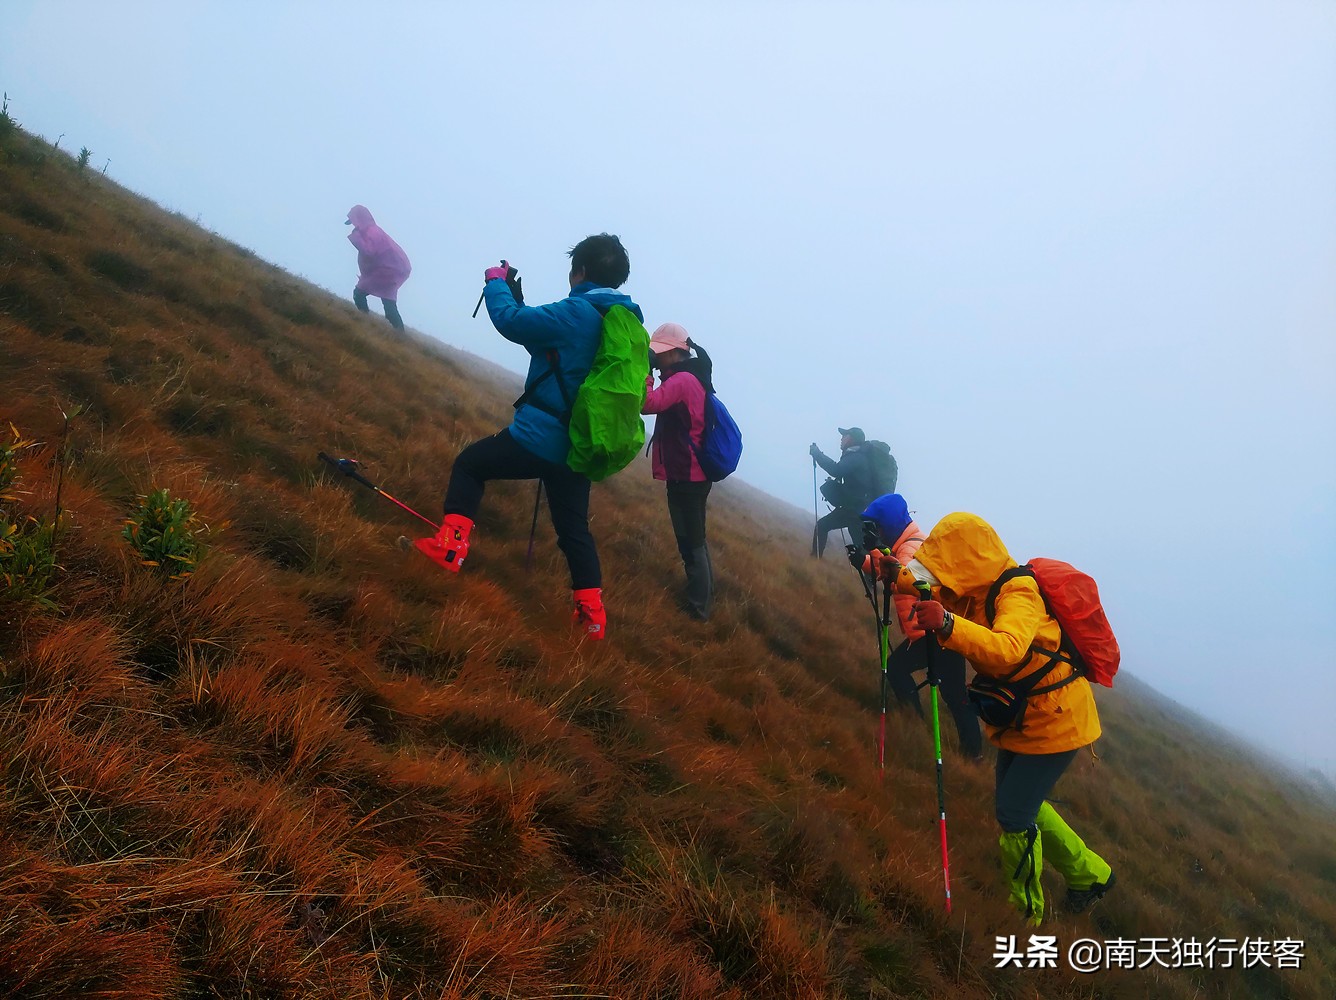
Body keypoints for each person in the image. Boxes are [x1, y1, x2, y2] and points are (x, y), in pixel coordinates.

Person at [411, 234, 642, 641]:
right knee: (574, 529)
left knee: (470, 465)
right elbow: (553, 344)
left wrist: (496, 282)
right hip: (581, 444)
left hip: (542, 437)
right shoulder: (625, 322)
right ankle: (592, 618)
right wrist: (519, 298)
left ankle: (449, 548)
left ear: (581, 271)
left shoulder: (577, 311)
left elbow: (514, 324)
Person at [891, 512, 1114, 925]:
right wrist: (893, 570)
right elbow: (928, 581)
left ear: (968, 561)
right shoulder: (977, 588)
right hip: (1028, 718)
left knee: (1013, 814)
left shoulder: (1017, 593)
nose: (943, 578)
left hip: (1057, 721)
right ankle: (1092, 875)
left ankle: (1025, 915)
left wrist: (947, 624)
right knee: (1019, 803)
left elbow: (1008, 647)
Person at [861, 494, 983, 760]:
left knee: (897, 669)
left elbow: (899, 578)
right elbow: (890, 568)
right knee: (954, 694)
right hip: (935, 631)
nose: (878, 531)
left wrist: (872, 553)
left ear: (890, 523)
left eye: (879, 526)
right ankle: (973, 753)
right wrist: (865, 560)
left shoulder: (910, 549)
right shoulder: (906, 543)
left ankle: (914, 724)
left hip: (935, 632)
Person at [642, 323, 715, 621]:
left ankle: (698, 610)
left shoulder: (683, 380)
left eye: (659, 354)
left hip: (688, 474)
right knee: (695, 538)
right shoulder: (690, 377)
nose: (656, 360)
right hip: (692, 473)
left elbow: (648, 403)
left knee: (691, 541)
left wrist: (644, 376)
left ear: (675, 353)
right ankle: (703, 596)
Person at [809, 427, 877, 558]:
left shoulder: (857, 457)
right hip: (854, 509)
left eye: (844, 436)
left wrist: (817, 454)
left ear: (852, 439)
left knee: (862, 552)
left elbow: (836, 469)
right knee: (822, 526)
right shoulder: (856, 456)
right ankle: (814, 561)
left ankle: (814, 560)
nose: (841, 439)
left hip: (857, 512)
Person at [346, 205, 411, 331]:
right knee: (389, 303)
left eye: (354, 222)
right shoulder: (371, 230)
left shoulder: (372, 232)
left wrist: (356, 237)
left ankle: (364, 322)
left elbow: (369, 251)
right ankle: (400, 334)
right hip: (393, 270)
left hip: (388, 270)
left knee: (359, 293)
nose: (353, 225)